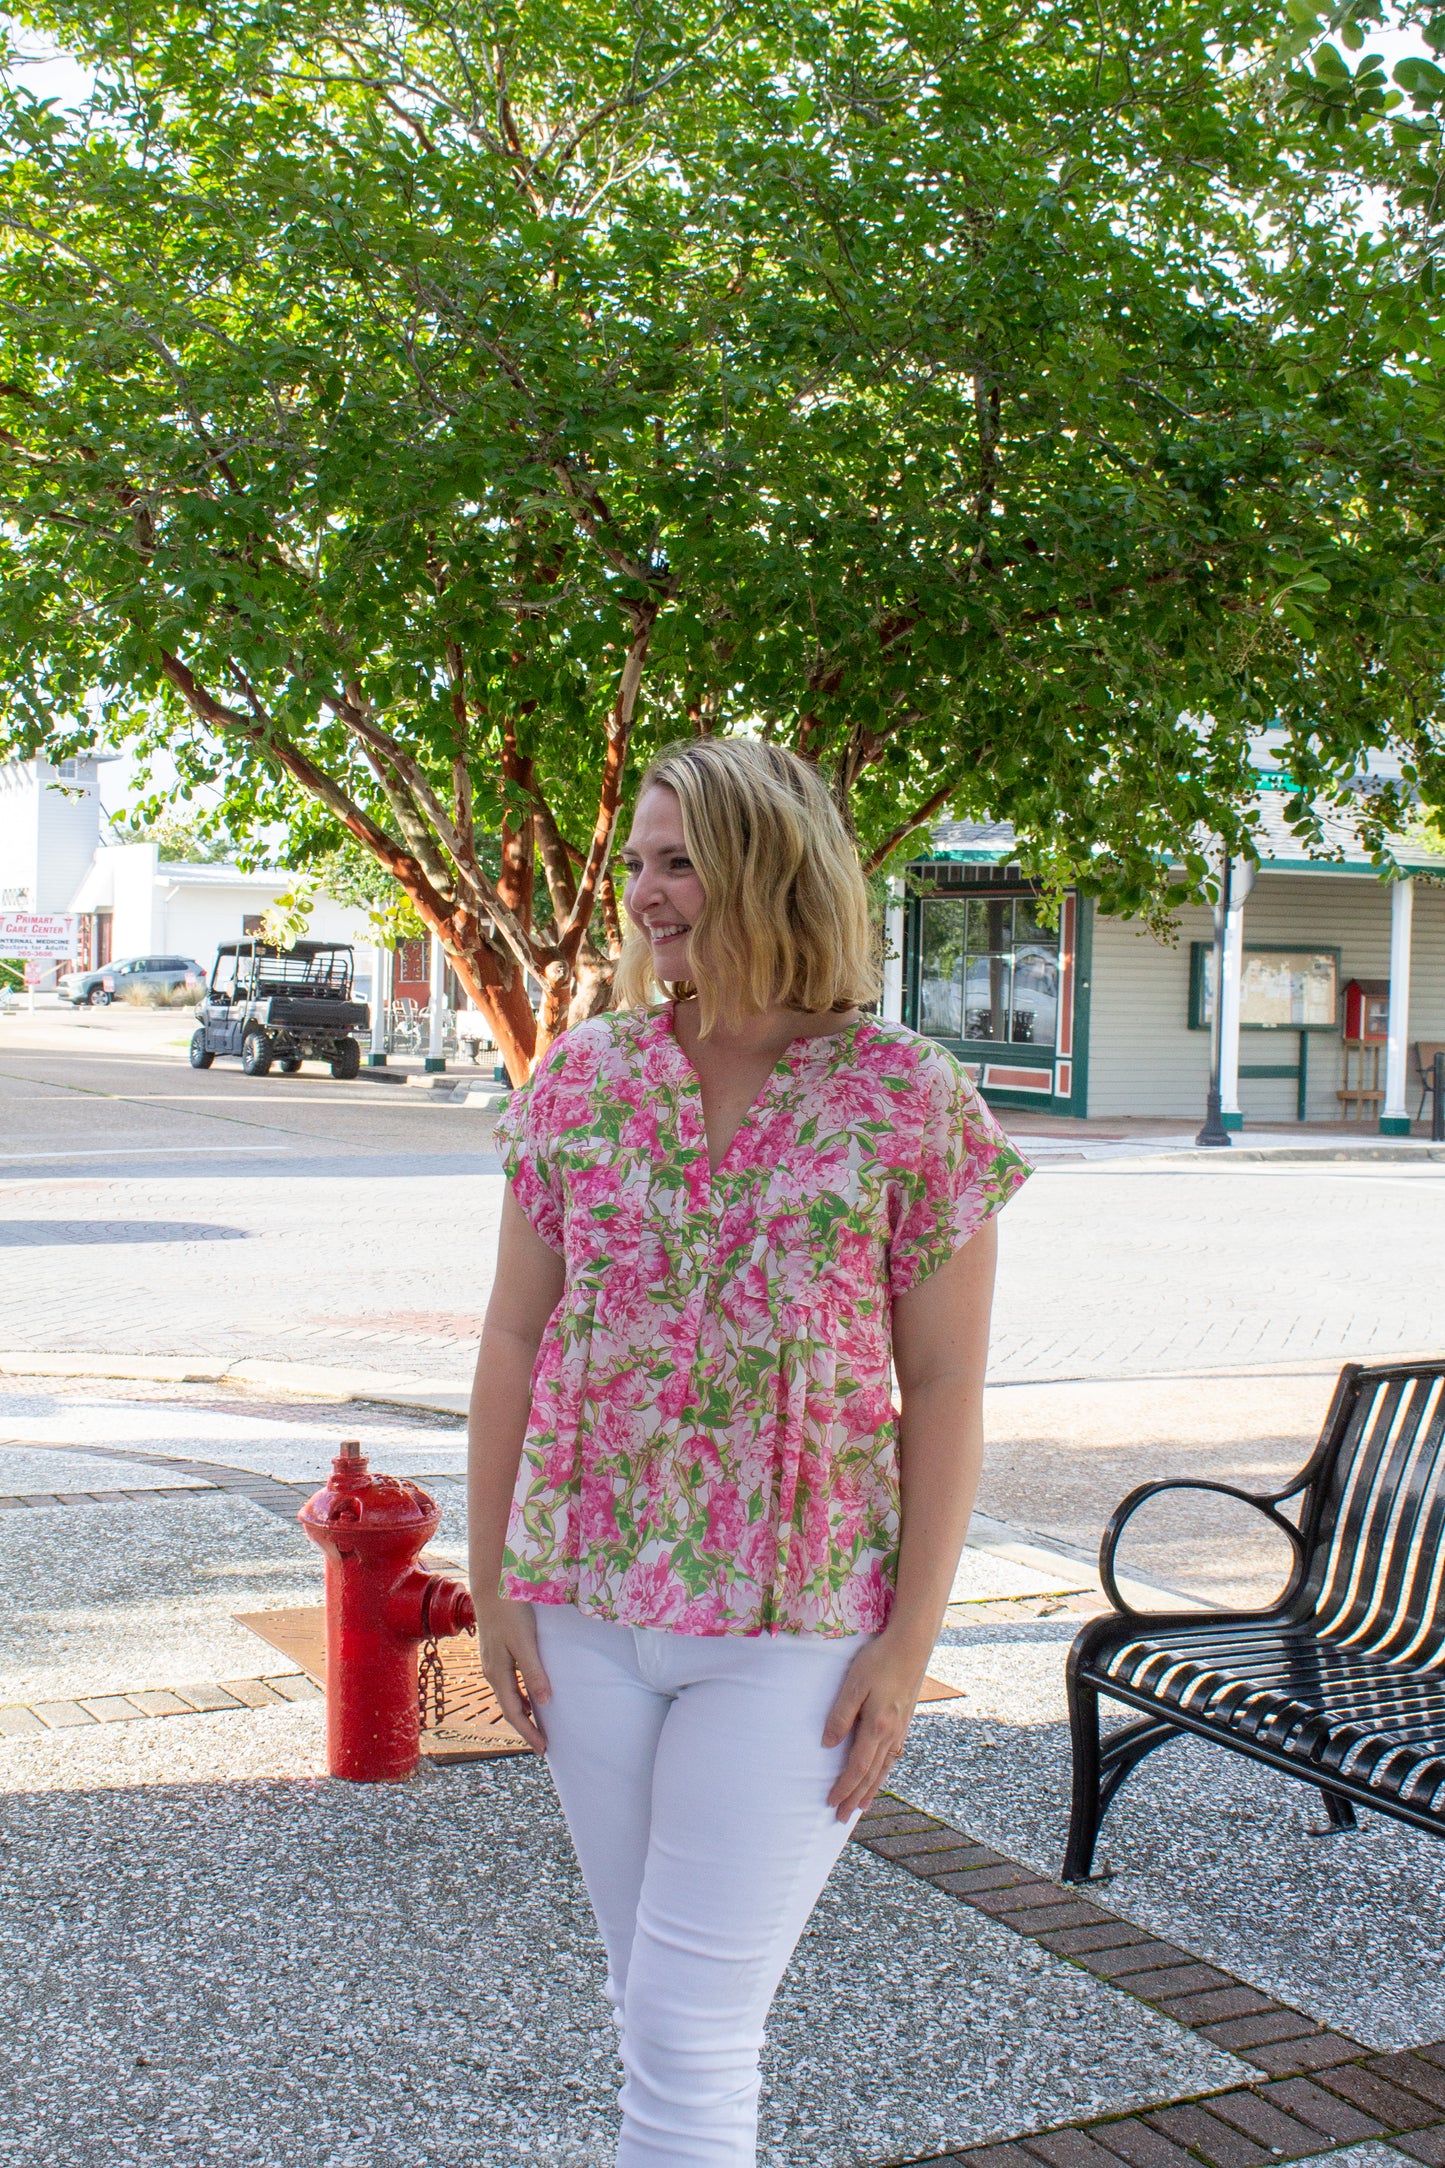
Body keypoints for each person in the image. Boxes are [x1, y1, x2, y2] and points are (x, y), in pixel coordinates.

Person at [468, 738, 1030, 2166]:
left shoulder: (907, 1094)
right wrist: (492, 1585)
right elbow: (514, 1341)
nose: (645, 893)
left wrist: (907, 1646)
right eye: (638, 864)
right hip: (583, 1604)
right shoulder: (583, 1077)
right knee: (648, 2003)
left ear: (768, 870)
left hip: (797, 1628)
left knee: (688, 2027)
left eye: (680, 862)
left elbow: (945, 1386)